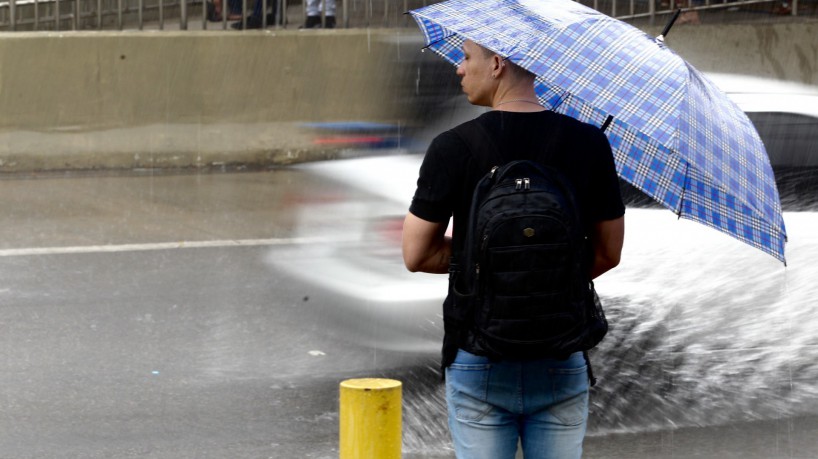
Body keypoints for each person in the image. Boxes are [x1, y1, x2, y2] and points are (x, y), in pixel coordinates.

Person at [401, 40, 625, 459]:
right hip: (560, 354)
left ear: (498, 63)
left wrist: (485, 268)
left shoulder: (452, 147)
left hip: (480, 354)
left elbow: (416, 254)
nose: (459, 70)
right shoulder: (589, 143)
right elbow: (608, 253)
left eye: (467, 58)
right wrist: (545, 273)